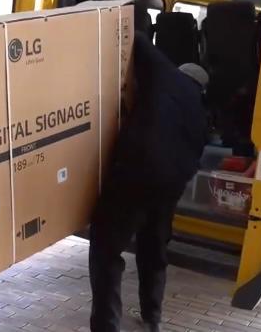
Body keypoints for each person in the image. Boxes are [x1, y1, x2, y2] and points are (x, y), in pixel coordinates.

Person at [89, 32, 208, 332]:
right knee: (153, 249)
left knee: (106, 248)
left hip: (137, 171)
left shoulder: (165, 74)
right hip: (169, 186)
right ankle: (152, 317)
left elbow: (135, 38)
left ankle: (106, 326)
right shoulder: (200, 113)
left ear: (181, 72)